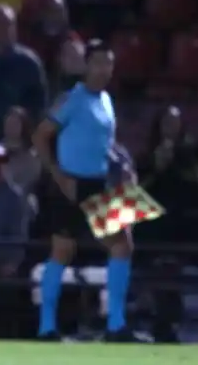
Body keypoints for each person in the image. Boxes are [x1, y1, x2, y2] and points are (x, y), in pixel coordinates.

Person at [32, 40, 138, 342]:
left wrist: (122, 164)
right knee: (63, 251)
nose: (104, 69)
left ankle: (116, 325)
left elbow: (104, 143)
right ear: (86, 65)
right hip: (73, 183)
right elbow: (41, 136)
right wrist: (58, 175)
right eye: (99, 62)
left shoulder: (106, 100)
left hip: (101, 182)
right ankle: (46, 327)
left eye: (109, 63)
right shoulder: (71, 99)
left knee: (122, 245)